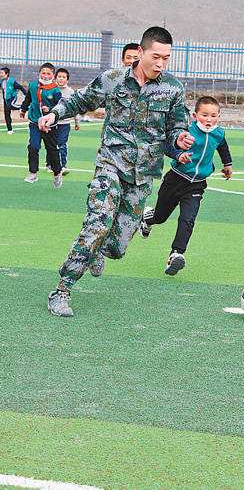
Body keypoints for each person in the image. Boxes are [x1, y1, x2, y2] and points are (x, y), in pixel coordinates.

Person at [39, 26, 194, 317]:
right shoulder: (113, 80)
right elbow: (79, 100)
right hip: (110, 164)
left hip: (143, 173)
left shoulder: (173, 88)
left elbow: (177, 128)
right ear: (141, 53)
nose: (161, 64)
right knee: (97, 223)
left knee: (118, 247)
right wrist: (54, 113)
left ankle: (99, 250)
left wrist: (179, 140)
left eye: (167, 58)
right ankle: (61, 290)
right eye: (156, 56)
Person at [139, 95, 233, 275]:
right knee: (160, 216)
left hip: (196, 185)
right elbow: (169, 146)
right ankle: (147, 218)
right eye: (204, 115)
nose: (209, 119)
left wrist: (227, 164)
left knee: (187, 219)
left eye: (213, 116)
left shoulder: (218, 133)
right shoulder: (187, 132)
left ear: (218, 116)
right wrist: (178, 155)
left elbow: (223, 147)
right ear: (195, 115)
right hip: (175, 179)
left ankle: (176, 254)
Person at [20, 62, 63, 187]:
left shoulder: (55, 90)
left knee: (51, 150)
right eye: (43, 73)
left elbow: (60, 106)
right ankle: (33, 173)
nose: (45, 75)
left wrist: (49, 109)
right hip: (34, 122)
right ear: (39, 73)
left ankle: (57, 173)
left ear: (53, 75)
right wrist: (23, 109)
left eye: (48, 73)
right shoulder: (33, 85)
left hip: (49, 125)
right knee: (33, 146)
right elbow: (28, 98)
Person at [45, 68, 80, 175]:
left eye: (64, 77)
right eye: (59, 77)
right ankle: (49, 164)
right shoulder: (50, 89)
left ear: (67, 80)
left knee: (62, 143)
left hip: (64, 123)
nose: (61, 79)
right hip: (52, 122)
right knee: (51, 144)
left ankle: (63, 165)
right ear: (55, 78)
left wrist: (77, 121)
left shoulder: (70, 92)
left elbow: (75, 107)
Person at [0, 66, 27, 134]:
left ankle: (22, 107)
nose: (1, 74)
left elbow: (20, 87)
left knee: (10, 105)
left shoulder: (12, 81)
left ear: (7, 74)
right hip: (6, 100)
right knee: (6, 114)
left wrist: (27, 96)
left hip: (13, 98)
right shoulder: (2, 81)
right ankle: (10, 130)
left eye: (2, 73)